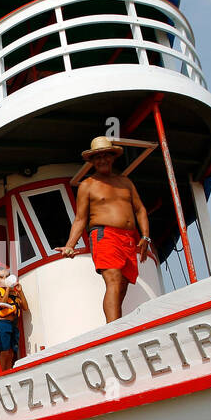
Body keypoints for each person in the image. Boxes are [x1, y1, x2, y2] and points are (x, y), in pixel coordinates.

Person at [59, 137, 151, 323]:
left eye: (105, 155)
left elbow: (140, 209)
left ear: (112, 157)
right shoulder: (87, 185)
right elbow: (80, 219)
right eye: (98, 157)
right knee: (114, 280)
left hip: (129, 238)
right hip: (104, 235)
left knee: (123, 284)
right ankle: (113, 330)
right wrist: (70, 245)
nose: (102, 160)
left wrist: (145, 237)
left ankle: (117, 325)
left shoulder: (125, 182)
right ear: (92, 161)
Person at [0, 271, 29, 371]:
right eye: (1, 277)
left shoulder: (14, 292)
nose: (5, 279)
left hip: (13, 325)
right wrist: (7, 288)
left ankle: (8, 372)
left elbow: (25, 307)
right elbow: (2, 304)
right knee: (4, 352)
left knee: (11, 353)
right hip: (3, 324)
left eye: (7, 276)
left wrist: (20, 291)